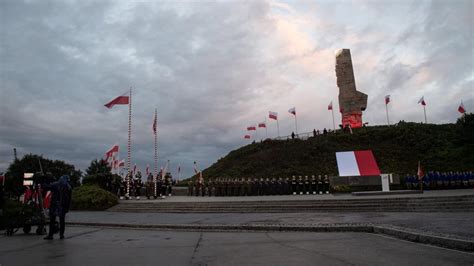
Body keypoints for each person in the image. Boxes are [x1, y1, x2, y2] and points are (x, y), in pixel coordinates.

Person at [43, 175, 72, 240]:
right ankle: (61, 235)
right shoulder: (69, 186)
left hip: (54, 205)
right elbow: (69, 199)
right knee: (62, 221)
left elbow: (45, 187)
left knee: (52, 221)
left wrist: (45, 180)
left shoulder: (56, 184)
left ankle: (51, 235)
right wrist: (68, 207)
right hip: (63, 206)